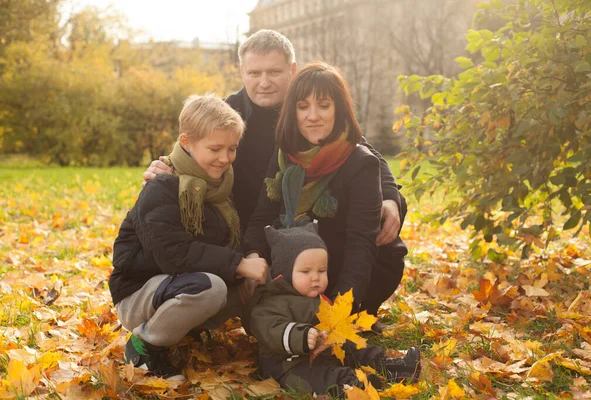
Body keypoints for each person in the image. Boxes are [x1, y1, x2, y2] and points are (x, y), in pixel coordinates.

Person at [143, 30, 408, 318]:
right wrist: (165, 168)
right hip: (249, 224)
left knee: (379, 244)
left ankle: (350, 312)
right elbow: (190, 147)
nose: (264, 82)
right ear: (242, 71)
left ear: (292, 71)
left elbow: (364, 153)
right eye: (254, 73)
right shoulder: (228, 111)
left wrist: (391, 198)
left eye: (274, 72)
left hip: (303, 223)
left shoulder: (309, 108)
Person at [108, 95, 269, 378]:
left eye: (232, 149)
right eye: (215, 148)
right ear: (186, 142)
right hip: (139, 292)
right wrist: (237, 264)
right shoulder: (162, 188)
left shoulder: (217, 187)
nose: (225, 158)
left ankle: (277, 342)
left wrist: (247, 261)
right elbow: (174, 254)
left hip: (180, 283)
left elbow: (224, 240)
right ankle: (143, 345)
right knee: (212, 287)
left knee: (253, 285)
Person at [243, 62, 408, 314]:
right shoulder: (284, 155)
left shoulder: (360, 161)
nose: (313, 115)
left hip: (351, 270)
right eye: (303, 107)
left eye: (323, 105)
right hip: (303, 269)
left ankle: (358, 311)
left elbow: (360, 246)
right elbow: (262, 216)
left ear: (338, 110)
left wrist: (340, 312)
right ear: (293, 112)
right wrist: (253, 255)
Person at [242, 222, 420, 396]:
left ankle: (391, 367)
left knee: (355, 347)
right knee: (318, 377)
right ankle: (351, 385)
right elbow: (269, 328)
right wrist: (301, 336)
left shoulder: (320, 299)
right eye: (306, 272)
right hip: (288, 364)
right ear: (284, 273)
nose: (315, 278)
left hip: (326, 352)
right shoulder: (270, 301)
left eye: (321, 270)